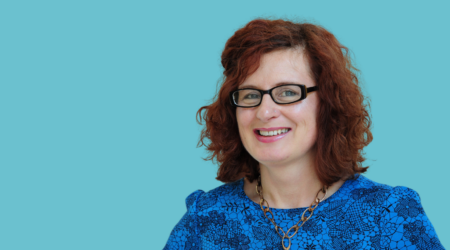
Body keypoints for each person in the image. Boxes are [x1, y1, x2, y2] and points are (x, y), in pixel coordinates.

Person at [163, 19, 444, 250]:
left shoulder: (390, 216)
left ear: (328, 103)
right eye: (250, 95)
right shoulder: (204, 220)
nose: (265, 111)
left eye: (287, 92)